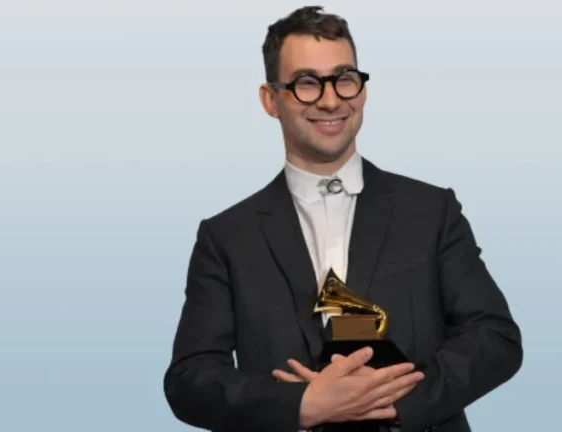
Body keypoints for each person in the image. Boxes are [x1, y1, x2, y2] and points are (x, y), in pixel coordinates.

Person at [163, 6, 523, 432]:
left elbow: (495, 338)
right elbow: (190, 380)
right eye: (307, 83)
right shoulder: (226, 237)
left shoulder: (432, 211)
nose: (331, 100)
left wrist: (389, 400)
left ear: (363, 90)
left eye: (344, 79)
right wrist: (303, 405)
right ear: (270, 100)